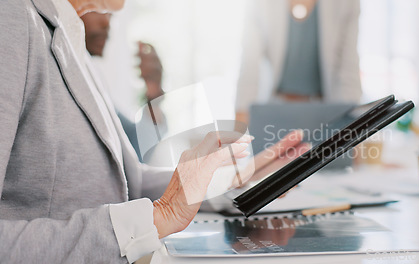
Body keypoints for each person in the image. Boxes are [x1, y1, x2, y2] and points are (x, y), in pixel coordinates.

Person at [0, 0, 307, 262]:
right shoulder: (11, 18)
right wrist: (159, 216)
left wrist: (233, 178)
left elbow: (128, 182)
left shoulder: (71, 39)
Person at [236, 0, 363, 123]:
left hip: (326, 112)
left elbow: (349, 68)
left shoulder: (347, 2)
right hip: (274, 111)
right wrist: (241, 120)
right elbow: (249, 64)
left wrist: (355, 124)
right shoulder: (259, 3)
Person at [81, 12, 165, 160]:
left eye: (111, 15)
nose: (107, 23)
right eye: (99, 7)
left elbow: (134, 150)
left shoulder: (92, 76)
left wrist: (153, 91)